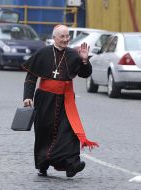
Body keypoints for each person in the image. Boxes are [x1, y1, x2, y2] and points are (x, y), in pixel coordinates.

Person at [22, 25, 99, 177]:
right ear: (55, 37)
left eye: (67, 36)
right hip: (45, 99)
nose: (65, 39)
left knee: (68, 132)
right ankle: (42, 164)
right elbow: (31, 77)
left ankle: (72, 164)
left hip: (65, 100)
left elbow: (85, 74)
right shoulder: (43, 53)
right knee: (44, 132)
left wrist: (84, 60)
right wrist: (27, 97)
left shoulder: (73, 54)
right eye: (62, 36)